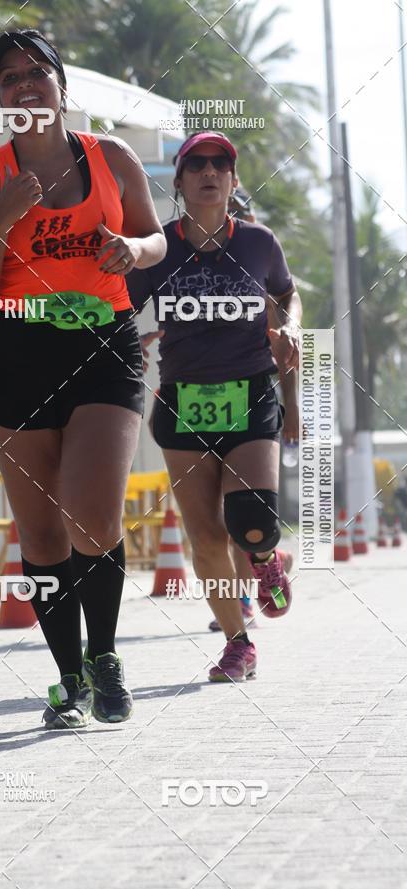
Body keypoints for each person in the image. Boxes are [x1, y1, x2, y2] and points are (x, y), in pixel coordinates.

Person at [0, 30, 166, 728]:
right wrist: (5, 221)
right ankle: (66, 678)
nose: (25, 84)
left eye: (37, 71)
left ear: (60, 84)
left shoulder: (114, 157)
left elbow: (156, 237)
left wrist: (132, 248)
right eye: (9, 77)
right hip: (16, 356)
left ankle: (104, 658)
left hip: (103, 346)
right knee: (41, 538)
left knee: (92, 514)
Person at [127, 132, 302, 683]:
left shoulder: (258, 243)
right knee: (204, 537)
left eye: (220, 165)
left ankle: (266, 554)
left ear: (232, 179)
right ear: (178, 181)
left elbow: (287, 293)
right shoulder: (159, 247)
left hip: (249, 391)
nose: (209, 172)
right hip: (182, 401)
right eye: (196, 164)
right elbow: (118, 305)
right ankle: (237, 643)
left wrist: (291, 327)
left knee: (249, 524)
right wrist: (128, 342)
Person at [206, 182, 297, 633]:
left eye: (241, 215)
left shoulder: (262, 275)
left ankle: (244, 597)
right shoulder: (201, 271)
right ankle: (257, 575)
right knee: (214, 522)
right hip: (198, 407)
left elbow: (287, 354)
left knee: (241, 517)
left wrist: (293, 410)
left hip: (254, 405)